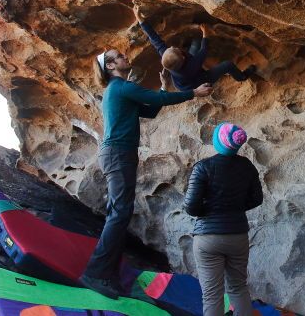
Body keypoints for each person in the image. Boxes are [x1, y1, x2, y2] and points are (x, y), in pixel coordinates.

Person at [80, 48, 213, 299]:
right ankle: (96, 272)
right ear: (110, 66)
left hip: (117, 154)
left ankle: (106, 271)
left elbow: (151, 110)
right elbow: (157, 101)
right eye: (120, 56)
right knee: (119, 214)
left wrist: (164, 90)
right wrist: (193, 93)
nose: (126, 57)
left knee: (119, 213)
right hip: (118, 154)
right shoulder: (121, 87)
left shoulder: (117, 92)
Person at [184, 122, 263, 316]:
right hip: (238, 236)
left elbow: (191, 207)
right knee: (238, 288)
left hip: (207, 238)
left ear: (218, 142)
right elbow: (257, 199)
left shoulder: (203, 168)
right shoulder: (247, 166)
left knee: (212, 295)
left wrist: (211, 210)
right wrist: (234, 209)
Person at [133, 5, 256, 92]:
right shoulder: (191, 66)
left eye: (170, 48)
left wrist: (140, 19)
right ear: (182, 56)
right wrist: (205, 33)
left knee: (195, 43)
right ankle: (242, 77)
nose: (171, 46)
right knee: (227, 65)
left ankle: (204, 64)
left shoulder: (167, 55)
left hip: (183, 80)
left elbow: (154, 38)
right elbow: (203, 51)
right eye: (175, 49)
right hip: (198, 82)